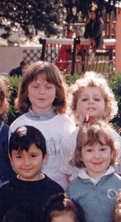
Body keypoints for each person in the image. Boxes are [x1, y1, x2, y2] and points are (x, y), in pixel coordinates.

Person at [0, 125, 64, 222]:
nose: (26, 163)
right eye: (19, 157)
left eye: (33, 156)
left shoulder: (54, 191)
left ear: (44, 157)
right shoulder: (5, 191)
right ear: (10, 158)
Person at [9, 61, 76, 189]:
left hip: (60, 191)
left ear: (57, 91)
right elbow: (15, 164)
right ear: (26, 90)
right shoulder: (18, 125)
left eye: (48, 87)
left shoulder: (66, 123)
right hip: (27, 190)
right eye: (35, 86)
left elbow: (72, 163)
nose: (42, 92)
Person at [66, 121, 121, 222]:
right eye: (89, 150)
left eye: (102, 149)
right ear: (80, 155)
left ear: (112, 152)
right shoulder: (73, 188)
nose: (97, 156)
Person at [60, 71, 121, 180]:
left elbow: (119, 175)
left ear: (106, 109)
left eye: (96, 99)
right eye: (84, 99)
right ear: (75, 109)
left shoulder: (116, 140)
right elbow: (68, 176)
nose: (91, 102)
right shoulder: (68, 141)